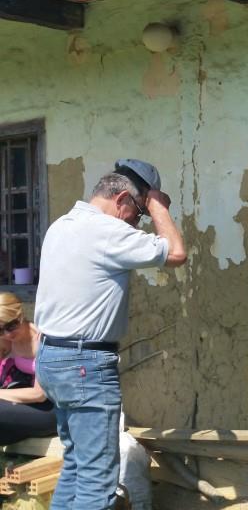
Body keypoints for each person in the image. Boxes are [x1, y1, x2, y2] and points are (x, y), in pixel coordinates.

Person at [34, 159, 186, 510]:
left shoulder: (61, 225)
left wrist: (146, 204)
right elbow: (177, 252)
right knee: (97, 482)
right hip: (84, 364)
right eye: (139, 213)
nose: (138, 224)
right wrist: (159, 206)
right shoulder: (108, 231)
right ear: (121, 200)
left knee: (76, 467)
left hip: (52, 358)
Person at [0, 293, 57, 446]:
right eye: (0, 330)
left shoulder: (42, 340)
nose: (7, 334)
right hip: (25, 407)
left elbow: (39, 394)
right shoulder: (7, 339)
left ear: (21, 315)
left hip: (52, 408)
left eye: (11, 326)